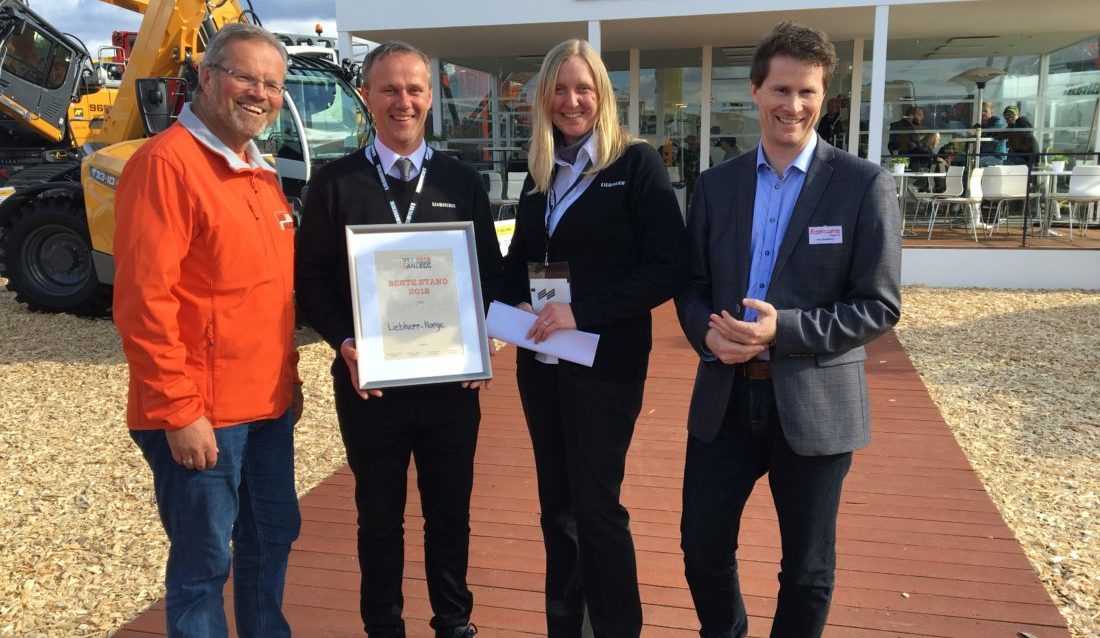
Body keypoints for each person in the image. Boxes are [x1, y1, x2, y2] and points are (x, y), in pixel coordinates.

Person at [676, 21, 902, 638]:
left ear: (823, 99)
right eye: (780, 90)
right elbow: (690, 287)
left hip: (815, 400)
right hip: (726, 396)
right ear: (754, 91)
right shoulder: (716, 186)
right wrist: (706, 333)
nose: (792, 106)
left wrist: (785, 330)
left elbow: (879, 306)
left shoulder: (863, 185)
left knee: (806, 568)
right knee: (701, 550)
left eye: (807, 92)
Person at [295, 41, 500, 638]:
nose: (402, 101)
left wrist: (480, 338)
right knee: (378, 518)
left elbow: (487, 269)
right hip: (370, 385)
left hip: (449, 383)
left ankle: (453, 622)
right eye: (388, 89)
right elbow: (308, 279)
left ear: (430, 98)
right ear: (366, 96)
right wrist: (343, 342)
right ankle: (382, 625)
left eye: (414, 89)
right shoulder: (334, 183)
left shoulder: (463, 180)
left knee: (449, 515)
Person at [113, 24, 302, 638]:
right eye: (246, 77)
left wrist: (287, 380)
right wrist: (177, 410)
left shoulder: (259, 173)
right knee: (203, 566)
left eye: (272, 84)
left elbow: (263, 297)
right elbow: (144, 301)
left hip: (267, 408)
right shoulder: (165, 166)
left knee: (270, 541)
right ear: (206, 75)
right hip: (204, 413)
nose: (260, 93)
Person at [499, 38, 688, 638]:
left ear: (602, 94)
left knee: (597, 509)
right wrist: (496, 310)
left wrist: (585, 312)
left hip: (605, 364)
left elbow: (668, 266)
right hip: (542, 361)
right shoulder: (537, 173)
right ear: (544, 99)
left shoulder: (634, 165)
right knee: (557, 507)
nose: (571, 100)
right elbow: (519, 261)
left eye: (583, 88)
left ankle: (615, 629)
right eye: (559, 88)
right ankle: (566, 628)